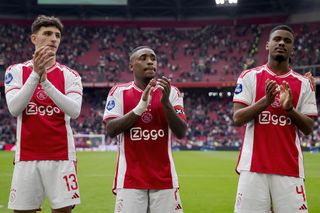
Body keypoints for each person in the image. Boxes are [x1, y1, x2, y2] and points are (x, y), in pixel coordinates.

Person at [232, 24, 317, 213]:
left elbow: (309, 127)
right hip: (253, 168)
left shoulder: (304, 84)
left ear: (293, 49)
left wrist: (290, 109)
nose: (281, 43)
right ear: (267, 45)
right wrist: (265, 102)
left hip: (289, 169)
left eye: (287, 41)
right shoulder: (249, 77)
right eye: (277, 39)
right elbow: (237, 118)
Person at [5, 15, 82, 213]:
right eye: (47, 34)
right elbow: (14, 108)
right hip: (27, 156)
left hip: (62, 156)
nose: (53, 39)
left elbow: (74, 111)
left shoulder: (70, 75)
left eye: (57, 35)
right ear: (34, 39)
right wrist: (35, 74)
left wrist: (45, 83)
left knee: (63, 211)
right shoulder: (15, 71)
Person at [103, 46, 187, 213]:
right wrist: (139, 108)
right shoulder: (119, 92)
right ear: (131, 66)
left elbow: (181, 132)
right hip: (130, 180)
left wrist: (165, 104)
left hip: (165, 179)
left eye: (153, 58)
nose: (150, 61)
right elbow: (111, 129)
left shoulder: (171, 92)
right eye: (143, 58)